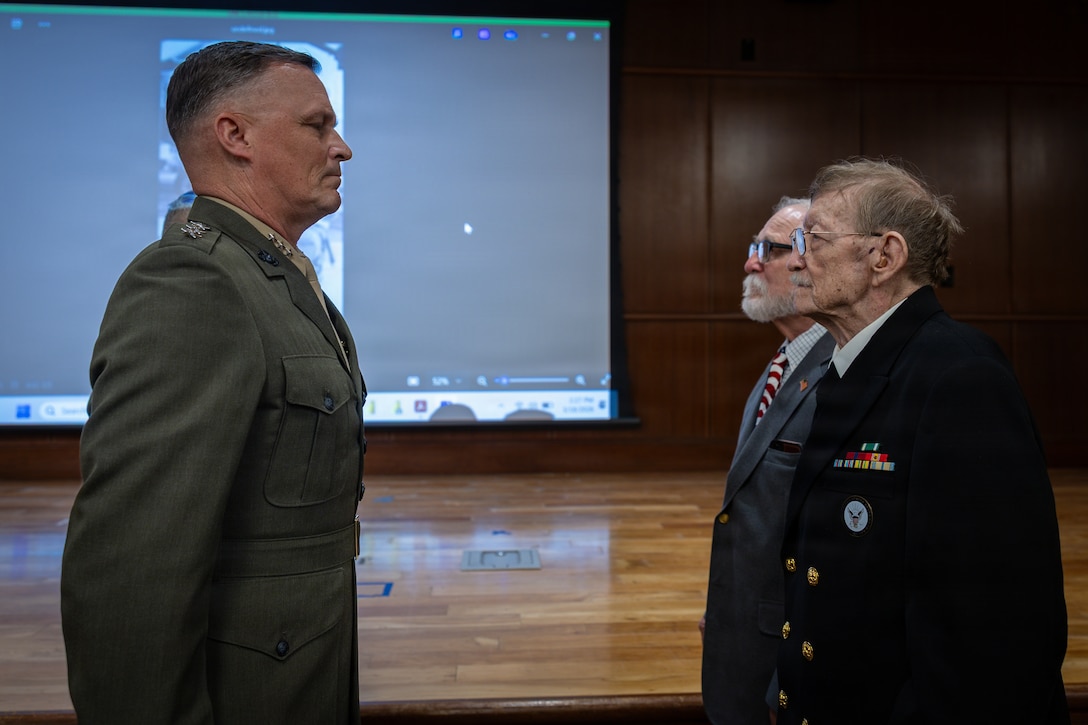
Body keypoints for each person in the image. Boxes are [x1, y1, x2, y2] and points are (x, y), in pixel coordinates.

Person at [61, 41, 366, 725]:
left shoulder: (271, 276)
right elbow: (129, 570)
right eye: (317, 125)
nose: (341, 147)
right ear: (235, 136)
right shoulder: (194, 284)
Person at [776, 157, 1067, 724]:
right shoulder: (848, 367)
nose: (796, 258)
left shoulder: (960, 378)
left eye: (813, 238)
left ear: (884, 256)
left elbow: (992, 638)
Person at [701, 197, 835, 725]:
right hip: (744, 634)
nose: (750, 263)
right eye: (752, 248)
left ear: (809, 260)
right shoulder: (785, 359)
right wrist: (725, 608)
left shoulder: (842, 377)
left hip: (788, 657)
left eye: (767, 250)